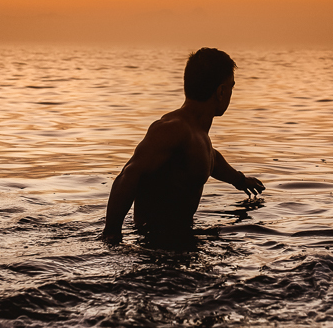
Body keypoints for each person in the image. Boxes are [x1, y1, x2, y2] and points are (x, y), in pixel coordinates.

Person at [102, 47, 265, 244]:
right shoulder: (173, 128)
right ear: (221, 91)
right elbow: (128, 175)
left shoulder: (196, 136)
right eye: (232, 87)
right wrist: (112, 235)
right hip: (153, 244)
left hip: (179, 240)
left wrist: (240, 180)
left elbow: (211, 159)